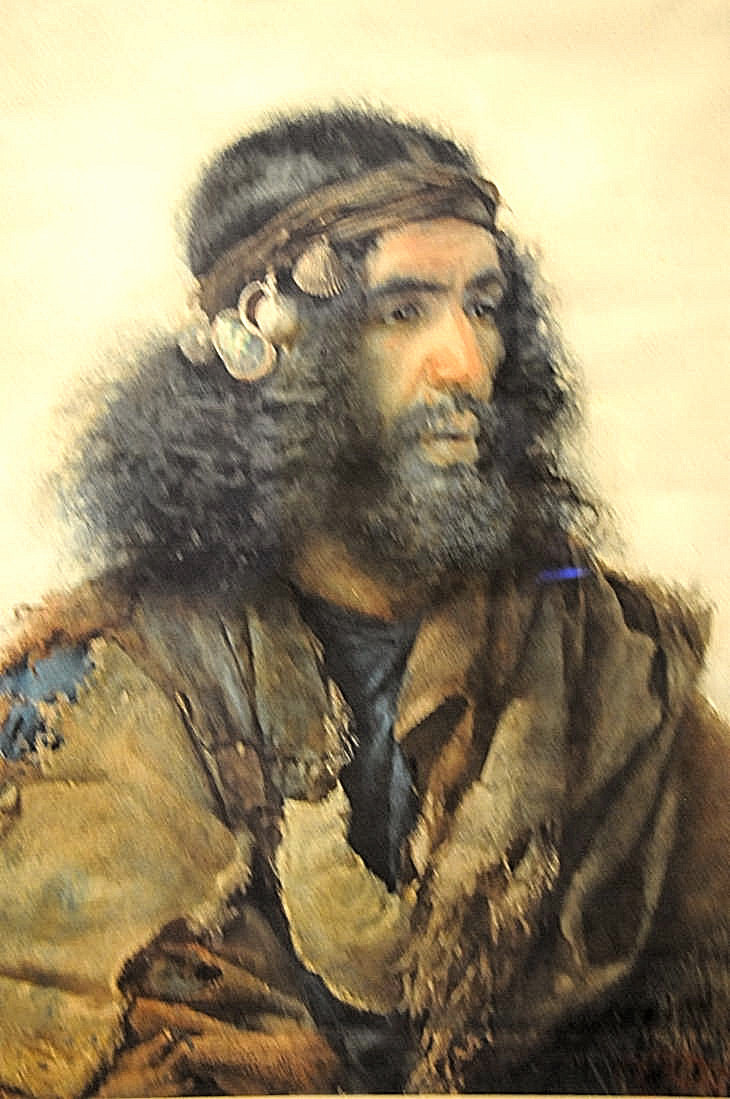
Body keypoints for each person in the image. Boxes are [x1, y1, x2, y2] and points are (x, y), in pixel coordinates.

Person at [0, 107, 728, 1098]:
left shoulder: (605, 655)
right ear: (271, 350)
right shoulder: (101, 684)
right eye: (403, 312)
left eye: (483, 306)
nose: (463, 363)